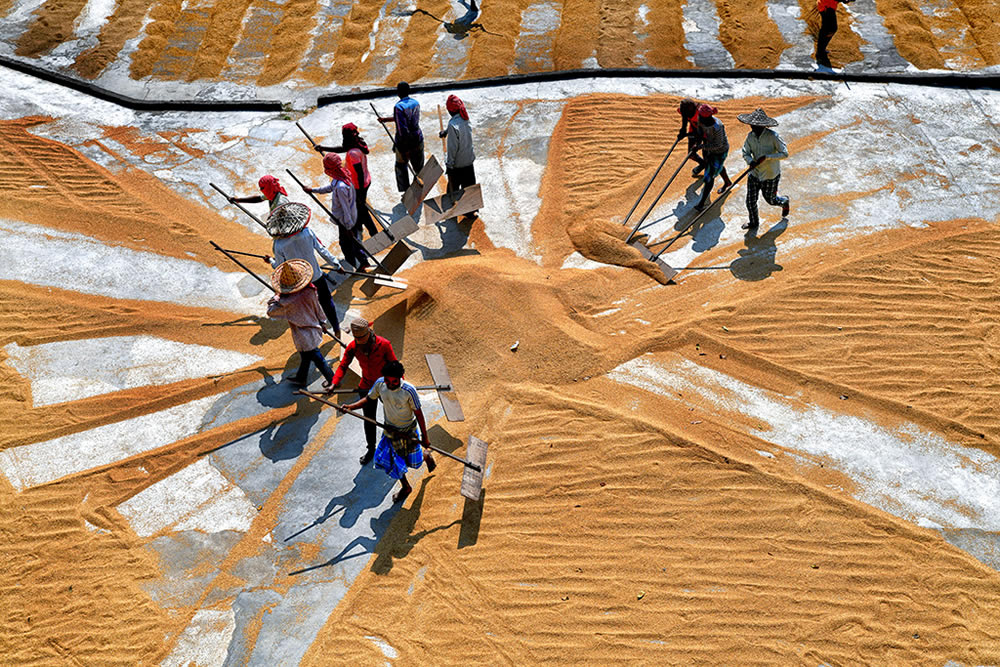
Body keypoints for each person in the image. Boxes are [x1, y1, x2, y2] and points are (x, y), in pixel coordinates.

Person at [343, 360, 437, 504]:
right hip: (391, 431)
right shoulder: (380, 384)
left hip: (408, 431)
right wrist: (350, 407)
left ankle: (425, 455)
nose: (390, 384)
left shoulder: (409, 390)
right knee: (394, 463)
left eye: (393, 381)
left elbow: (419, 414)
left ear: (400, 378)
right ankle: (406, 487)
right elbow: (368, 399)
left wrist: (425, 437)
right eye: (388, 380)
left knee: (415, 462)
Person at [330, 316, 398, 466]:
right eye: (356, 338)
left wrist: (399, 389)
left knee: (392, 419)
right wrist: (334, 383)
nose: (359, 341)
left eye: (362, 338)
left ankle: (393, 449)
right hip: (366, 386)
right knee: (369, 420)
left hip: (385, 387)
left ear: (369, 332)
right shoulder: (353, 346)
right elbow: (343, 366)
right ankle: (371, 449)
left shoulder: (384, 345)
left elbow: (394, 365)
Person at [264, 202, 341, 331]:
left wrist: (271, 261)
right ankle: (336, 328)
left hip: (299, 282)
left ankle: (319, 328)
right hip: (316, 275)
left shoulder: (279, 244)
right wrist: (336, 264)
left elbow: (279, 266)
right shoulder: (307, 232)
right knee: (327, 301)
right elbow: (322, 250)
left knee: (308, 307)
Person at [266, 259, 335, 390]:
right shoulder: (310, 291)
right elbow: (318, 307)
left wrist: (276, 296)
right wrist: (323, 322)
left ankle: (332, 380)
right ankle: (301, 378)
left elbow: (270, 312)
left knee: (317, 357)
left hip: (304, 335)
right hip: (314, 327)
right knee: (306, 356)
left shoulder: (287, 302)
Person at [304, 153, 369, 271]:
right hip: (347, 218)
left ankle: (354, 264)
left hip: (346, 220)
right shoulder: (343, 177)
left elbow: (346, 209)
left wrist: (348, 227)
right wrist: (312, 190)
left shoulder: (341, 187)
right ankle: (362, 260)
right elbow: (329, 188)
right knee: (352, 242)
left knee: (346, 244)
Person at [314, 123, 378, 238]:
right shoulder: (357, 143)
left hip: (359, 185)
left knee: (361, 209)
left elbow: (359, 174)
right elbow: (343, 148)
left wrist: (360, 194)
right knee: (359, 209)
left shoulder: (353, 153)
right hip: (363, 182)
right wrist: (324, 148)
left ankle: (373, 233)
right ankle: (363, 229)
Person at [738, 108, 790, 231]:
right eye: (752, 125)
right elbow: (745, 152)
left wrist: (767, 157)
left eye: (756, 126)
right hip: (754, 173)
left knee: (771, 200)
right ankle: (754, 222)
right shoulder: (750, 137)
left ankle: (784, 201)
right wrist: (750, 161)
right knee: (750, 202)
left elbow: (784, 153)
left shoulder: (773, 137)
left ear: (763, 126)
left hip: (770, 174)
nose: (753, 128)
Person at [378, 81, 425, 193]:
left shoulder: (398, 107)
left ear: (398, 93)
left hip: (405, 143)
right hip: (418, 138)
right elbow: (404, 119)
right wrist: (386, 120)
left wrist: (404, 149)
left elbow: (402, 130)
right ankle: (418, 189)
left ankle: (406, 191)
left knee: (401, 166)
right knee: (418, 166)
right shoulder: (415, 103)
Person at [693, 104, 732, 211]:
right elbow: (700, 132)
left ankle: (701, 203)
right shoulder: (701, 119)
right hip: (707, 148)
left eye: (700, 117)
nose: (699, 118)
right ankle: (727, 182)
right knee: (714, 167)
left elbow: (718, 144)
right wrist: (697, 144)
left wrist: (702, 146)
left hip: (719, 151)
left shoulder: (717, 126)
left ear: (707, 118)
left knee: (709, 176)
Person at [438, 94, 476, 194]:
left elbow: (452, 148)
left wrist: (449, 166)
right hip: (469, 162)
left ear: (451, 111)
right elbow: (460, 130)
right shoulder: (465, 118)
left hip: (458, 166)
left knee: (451, 193)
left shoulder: (452, 125)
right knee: (470, 194)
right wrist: (446, 132)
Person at [815, 0, 855, 69]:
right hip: (826, 6)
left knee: (828, 28)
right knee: (830, 28)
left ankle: (821, 50)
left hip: (827, 5)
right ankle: (820, 51)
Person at [676, 98, 707, 177]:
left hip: (706, 133)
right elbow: (684, 120)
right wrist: (682, 132)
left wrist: (699, 140)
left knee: (706, 153)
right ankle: (703, 164)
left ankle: (709, 170)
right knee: (691, 154)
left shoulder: (701, 112)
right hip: (693, 130)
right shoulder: (684, 111)